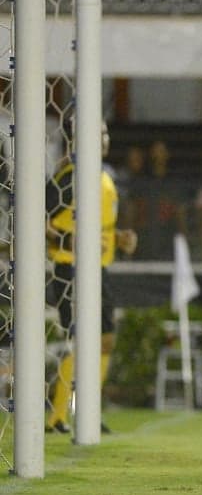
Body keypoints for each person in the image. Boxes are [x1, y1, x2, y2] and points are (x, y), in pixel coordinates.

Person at [46, 121, 138, 434]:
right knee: (81, 340)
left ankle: (88, 410)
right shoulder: (69, 177)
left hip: (98, 268)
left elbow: (102, 229)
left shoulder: (106, 179)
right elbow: (37, 219)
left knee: (106, 341)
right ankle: (56, 416)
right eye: (97, 133)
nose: (104, 139)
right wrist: (62, 241)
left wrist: (121, 238)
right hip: (70, 268)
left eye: (104, 132)